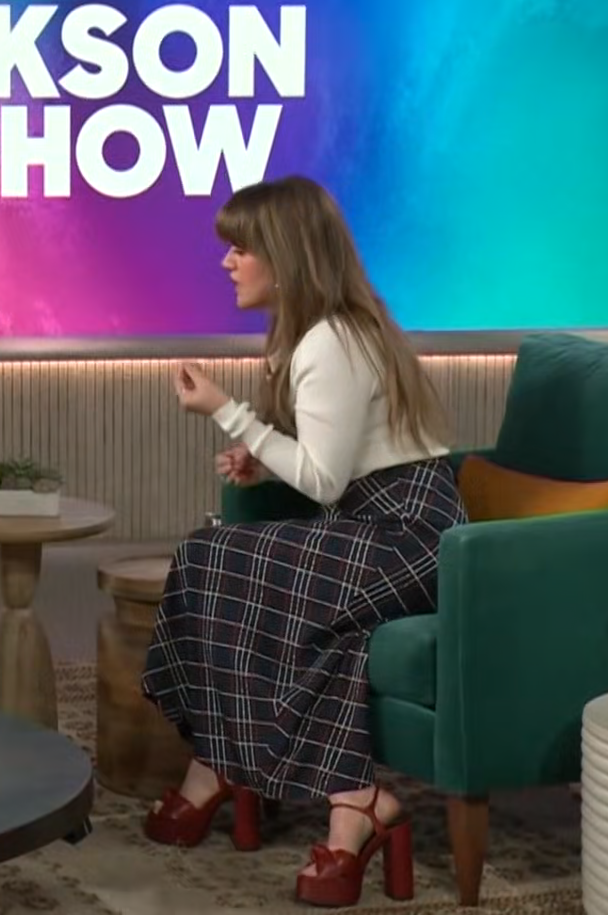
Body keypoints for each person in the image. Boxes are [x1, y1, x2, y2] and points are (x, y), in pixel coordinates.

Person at [140, 176, 466, 908]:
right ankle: (354, 806)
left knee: (209, 557)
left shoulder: (330, 340)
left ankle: (219, 767)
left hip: (406, 532)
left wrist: (228, 411)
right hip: (377, 522)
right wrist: (264, 457)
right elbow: (340, 459)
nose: (227, 262)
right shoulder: (327, 332)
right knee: (311, 615)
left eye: (241, 248)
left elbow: (323, 479)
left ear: (285, 257)